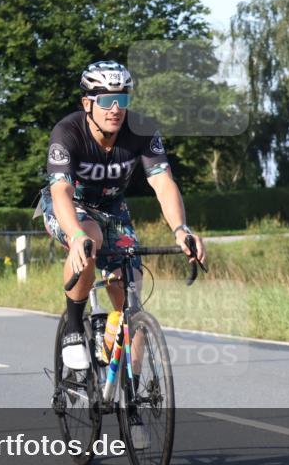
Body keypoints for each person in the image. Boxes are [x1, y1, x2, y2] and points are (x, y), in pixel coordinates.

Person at [39, 60, 206, 379]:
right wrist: (74, 236)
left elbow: (162, 181)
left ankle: (130, 391)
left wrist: (180, 229)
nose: (115, 108)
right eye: (105, 100)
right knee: (90, 239)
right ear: (87, 103)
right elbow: (60, 190)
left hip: (113, 209)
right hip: (70, 207)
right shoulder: (67, 132)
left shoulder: (141, 130)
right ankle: (74, 327)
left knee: (130, 296)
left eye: (123, 99)